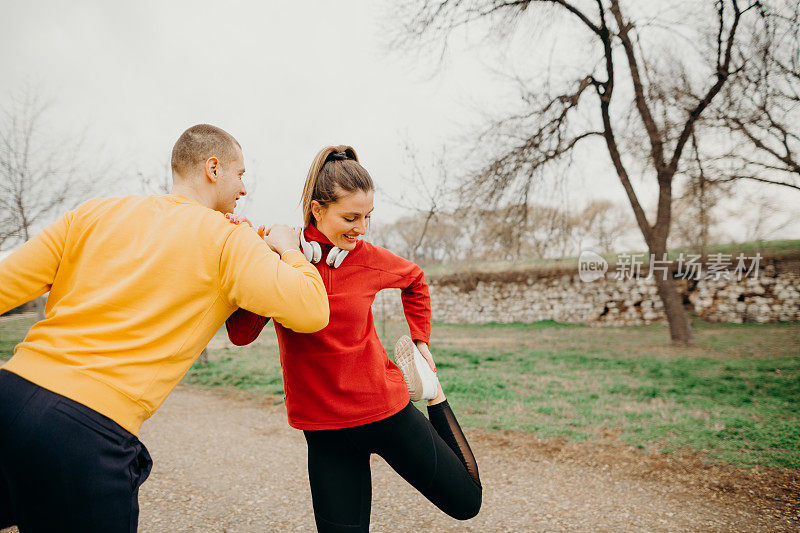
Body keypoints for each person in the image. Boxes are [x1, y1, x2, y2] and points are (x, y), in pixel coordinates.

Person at [0, 124, 329, 532]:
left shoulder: (92, 213)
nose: (244, 188)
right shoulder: (229, 241)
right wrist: (291, 252)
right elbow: (312, 310)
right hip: (85, 432)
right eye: (240, 174)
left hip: (9, 395)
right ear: (214, 168)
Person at [225, 145, 481, 532]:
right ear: (317, 209)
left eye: (367, 217)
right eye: (350, 217)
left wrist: (421, 340)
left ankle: (434, 392)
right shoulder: (283, 261)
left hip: (385, 410)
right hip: (325, 430)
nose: (361, 229)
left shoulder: (367, 257)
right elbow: (241, 335)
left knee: (466, 503)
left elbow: (414, 280)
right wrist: (268, 255)